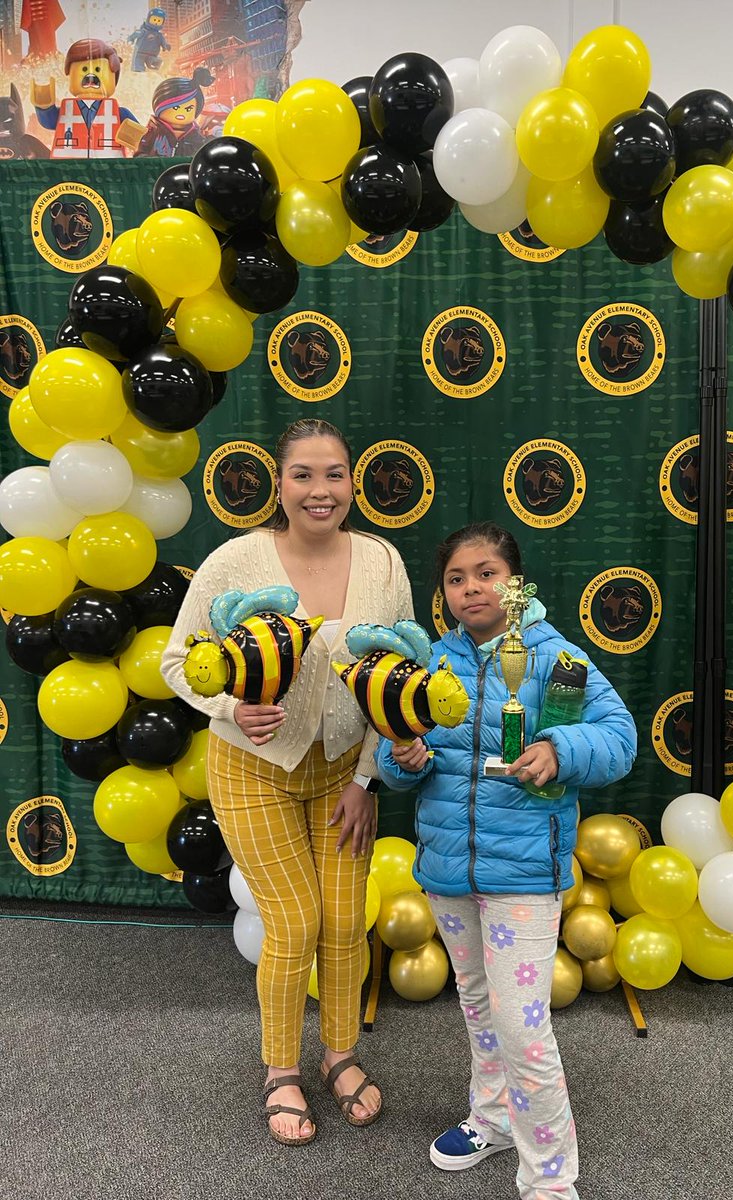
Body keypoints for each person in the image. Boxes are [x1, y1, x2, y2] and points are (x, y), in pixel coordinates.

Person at [162, 418, 414, 1146]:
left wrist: (366, 778)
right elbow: (178, 660)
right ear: (279, 483)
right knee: (296, 922)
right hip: (252, 768)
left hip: (343, 772)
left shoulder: (382, 561)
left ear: (351, 481)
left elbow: (392, 676)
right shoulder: (235, 561)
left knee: (344, 921)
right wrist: (229, 704)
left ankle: (340, 1056)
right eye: (303, 474)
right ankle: (280, 1071)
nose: (320, 490)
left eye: (333, 474)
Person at [376, 522, 637, 1200]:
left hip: (522, 874)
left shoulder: (558, 659)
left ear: (515, 583)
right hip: (448, 871)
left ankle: (551, 1180)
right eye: (457, 579)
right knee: (478, 1007)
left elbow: (619, 739)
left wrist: (559, 749)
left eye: (486, 573)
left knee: (523, 1028)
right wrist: (400, 758)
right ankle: (491, 1119)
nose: (471, 589)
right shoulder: (429, 663)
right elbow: (394, 755)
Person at [135, 69, 214, 158]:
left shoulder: (195, 136)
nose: (181, 113)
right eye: (175, 108)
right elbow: (140, 153)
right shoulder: (152, 132)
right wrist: (148, 159)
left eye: (188, 109)